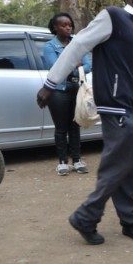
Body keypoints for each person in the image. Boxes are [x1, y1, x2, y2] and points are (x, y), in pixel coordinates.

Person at [37, 0, 133, 245]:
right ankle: (86, 216)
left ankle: (131, 221)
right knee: (115, 166)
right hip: (114, 105)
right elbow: (79, 44)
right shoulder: (113, 16)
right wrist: (51, 82)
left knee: (124, 164)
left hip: (130, 109)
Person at [42, 13, 92, 176]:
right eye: (63, 25)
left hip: (77, 91)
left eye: (69, 24)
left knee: (75, 125)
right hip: (58, 92)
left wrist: (72, 68)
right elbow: (56, 68)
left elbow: (89, 64)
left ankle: (77, 160)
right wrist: (76, 66)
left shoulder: (77, 44)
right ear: (55, 27)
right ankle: (62, 162)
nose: (68, 27)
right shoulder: (50, 47)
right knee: (61, 128)